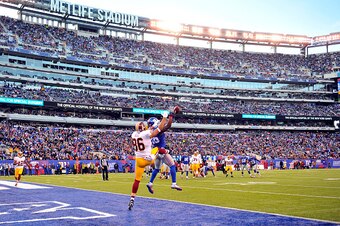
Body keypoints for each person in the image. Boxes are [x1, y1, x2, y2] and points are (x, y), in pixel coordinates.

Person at [128, 112, 168, 210]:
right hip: (148, 159)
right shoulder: (146, 133)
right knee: (158, 149)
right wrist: (164, 118)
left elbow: (146, 131)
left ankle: (132, 198)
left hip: (139, 161)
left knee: (137, 180)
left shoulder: (134, 134)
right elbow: (158, 130)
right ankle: (166, 152)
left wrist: (151, 127)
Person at [146, 107, 182, 194]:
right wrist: (171, 115)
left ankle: (150, 183)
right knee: (172, 165)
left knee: (157, 168)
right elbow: (169, 125)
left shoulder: (147, 132)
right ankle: (174, 183)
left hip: (155, 151)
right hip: (161, 150)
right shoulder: (158, 131)